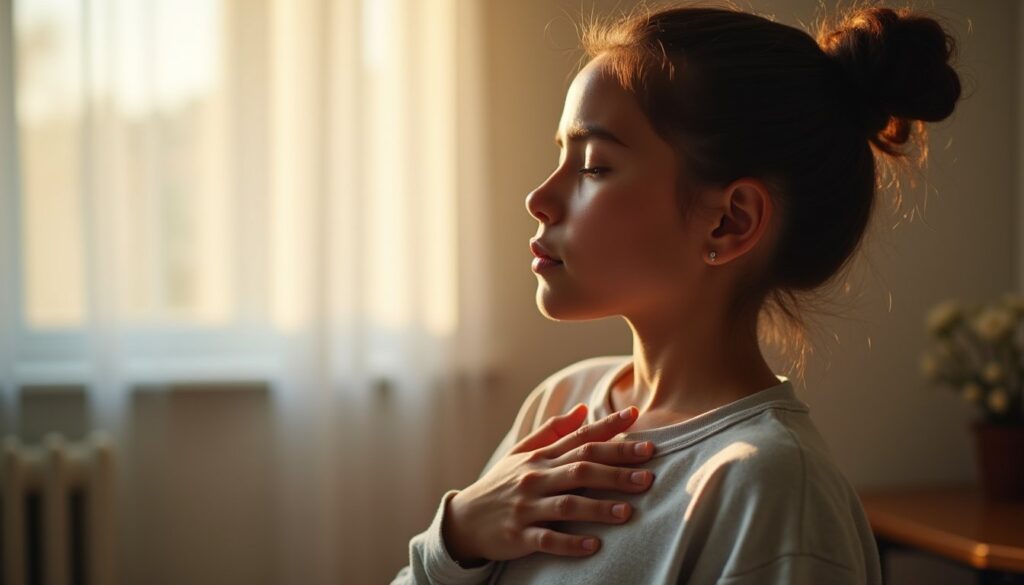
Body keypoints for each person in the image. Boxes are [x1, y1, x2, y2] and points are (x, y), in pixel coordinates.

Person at [391, 1, 962, 583]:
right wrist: (457, 534)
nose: (539, 198)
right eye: (561, 155)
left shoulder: (772, 487)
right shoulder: (564, 404)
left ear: (730, 222)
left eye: (593, 166)